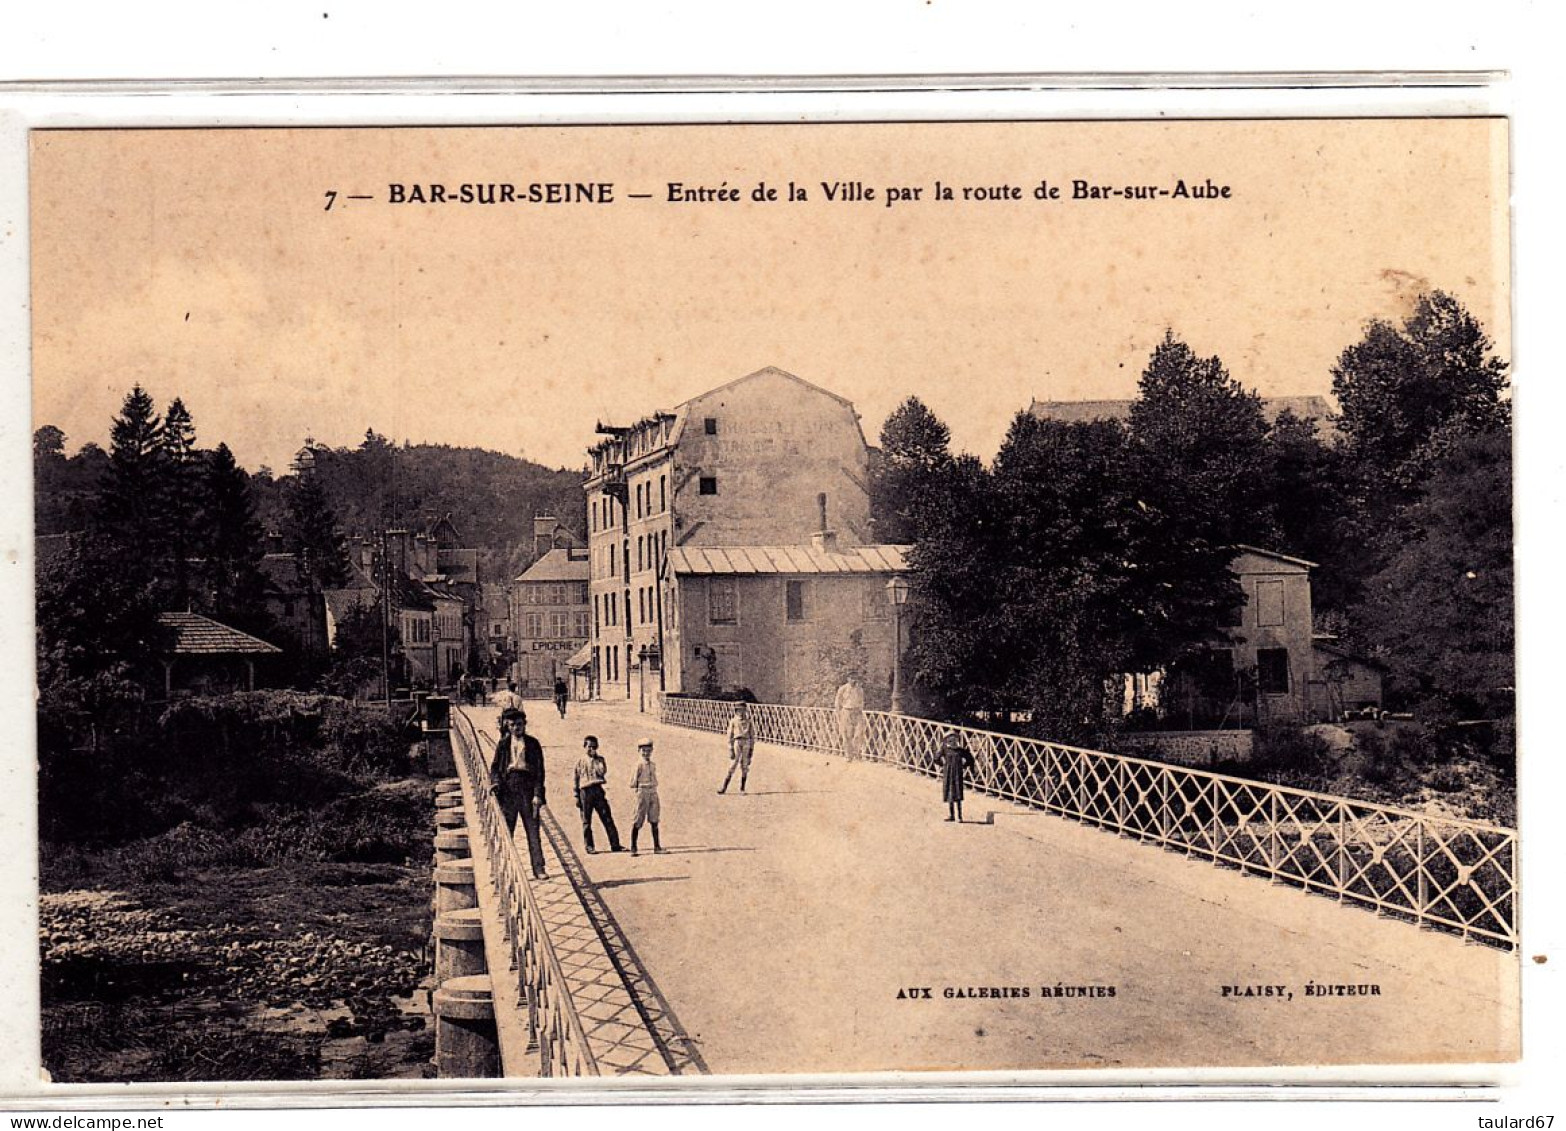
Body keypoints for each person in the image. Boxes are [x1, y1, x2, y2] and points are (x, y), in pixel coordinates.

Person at [488, 708, 549, 879]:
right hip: (508, 791)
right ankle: (503, 869)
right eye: (513, 725)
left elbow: (540, 772)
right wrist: (496, 783)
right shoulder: (503, 744)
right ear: (507, 726)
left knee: (533, 831)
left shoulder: (533, 744)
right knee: (507, 832)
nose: (516, 728)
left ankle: (539, 868)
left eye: (520, 724)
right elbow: (495, 768)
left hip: (528, 790)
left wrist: (538, 795)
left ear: (525, 724)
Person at [573, 735, 624, 854]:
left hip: (598, 790)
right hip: (585, 792)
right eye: (589, 747)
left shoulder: (600, 760)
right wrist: (576, 795)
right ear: (584, 747)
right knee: (586, 820)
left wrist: (596, 759)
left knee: (607, 817)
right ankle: (589, 846)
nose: (592, 749)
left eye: (594, 747)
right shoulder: (580, 761)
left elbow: (602, 771)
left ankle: (615, 844)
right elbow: (575, 779)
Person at [628, 738, 664, 855]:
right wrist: (640, 789)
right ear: (639, 750)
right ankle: (633, 847)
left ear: (652, 751)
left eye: (648, 751)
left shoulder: (653, 765)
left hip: (653, 792)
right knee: (638, 819)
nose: (646, 753)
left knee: (654, 819)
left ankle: (657, 847)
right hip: (642, 792)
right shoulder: (638, 765)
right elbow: (632, 782)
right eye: (643, 751)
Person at [938, 730, 976, 823]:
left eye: (954, 738)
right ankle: (951, 815)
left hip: (957, 774)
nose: (952, 741)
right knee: (950, 794)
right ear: (947, 740)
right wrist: (943, 764)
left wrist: (965, 764)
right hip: (948, 773)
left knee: (958, 794)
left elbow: (970, 758)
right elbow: (936, 758)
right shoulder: (945, 749)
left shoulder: (960, 750)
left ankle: (959, 816)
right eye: (950, 739)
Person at [718, 702, 755, 795]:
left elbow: (752, 736)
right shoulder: (734, 721)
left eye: (743, 710)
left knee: (745, 765)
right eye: (739, 710)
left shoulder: (749, 721)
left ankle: (742, 789)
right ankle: (724, 787)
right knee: (733, 764)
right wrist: (730, 748)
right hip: (737, 742)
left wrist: (751, 749)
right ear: (736, 711)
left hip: (746, 742)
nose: (741, 712)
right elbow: (729, 735)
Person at [833, 676, 866, 761]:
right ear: (848, 679)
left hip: (857, 712)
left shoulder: (859, 690)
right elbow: (837, 701)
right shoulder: (843, 689)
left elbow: (862, 701)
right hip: (846, 711)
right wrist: (839, 712)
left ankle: (857, 753)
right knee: (847, 735)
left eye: (855, 678)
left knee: (859, 734)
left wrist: (860, 709)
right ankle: (848, 755)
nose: (854, 680)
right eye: (851, 678)